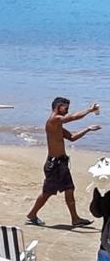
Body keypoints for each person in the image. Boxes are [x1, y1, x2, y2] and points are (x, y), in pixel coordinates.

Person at [26, 97, 100, 227]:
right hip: (54, 165)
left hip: (61, 164)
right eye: (66, 107)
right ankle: (32, 214)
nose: (67, 110)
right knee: (48, 193)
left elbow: (71, 137)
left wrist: (87, 129)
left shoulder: (58, 125)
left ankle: (75, 219)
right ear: (59, 106)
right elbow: (72, 117)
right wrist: (89, 110)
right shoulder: (53, 120)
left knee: (69, 189)